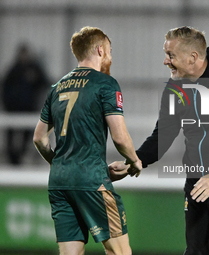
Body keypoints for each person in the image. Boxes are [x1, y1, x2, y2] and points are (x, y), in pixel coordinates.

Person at [113, 26, 209, 255]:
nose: (165, 61)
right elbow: (163, 134)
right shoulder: (175, 88)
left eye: (171, 55)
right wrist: (135, 159)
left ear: (193, 58)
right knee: (195, 251)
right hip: (196, 182)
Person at [33, 26, 142, 255]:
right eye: (110, 51)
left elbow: (39, 138)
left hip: (60, 181)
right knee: (120, 252)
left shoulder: (57, 87)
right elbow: (120, 138)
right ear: (101, 50)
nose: (110, 57)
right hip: (92, 179)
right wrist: (134, 161)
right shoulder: (105, 84)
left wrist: (61, 163)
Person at [1, 44, 50, 165]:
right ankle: (12, 158)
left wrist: (36, 77)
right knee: (11, 134)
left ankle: (20, 155)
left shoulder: (34, 68)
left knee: (27, 134)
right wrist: (7, 104)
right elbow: (5, 88)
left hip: (28, 108)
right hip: (13, 109)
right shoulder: (14, 70)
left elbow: (45, 82)